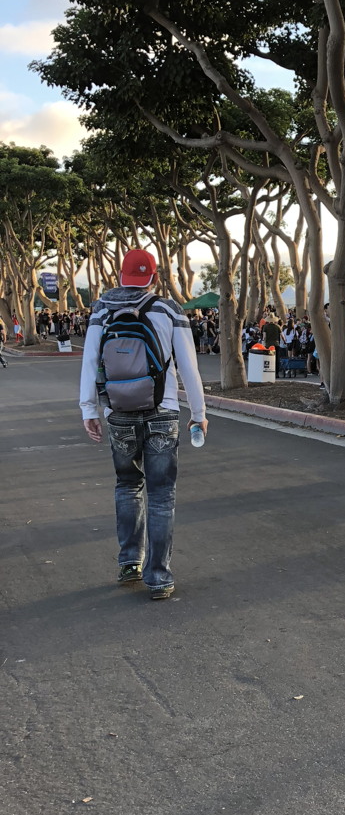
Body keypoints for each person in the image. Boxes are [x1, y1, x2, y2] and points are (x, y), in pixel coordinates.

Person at [79, 249, 207, 601]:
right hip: (162, 412)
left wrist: (89, 408)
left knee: (126, 485)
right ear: (153, 277)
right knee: (161, 494)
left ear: (122, 276)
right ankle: (159, 578)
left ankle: (129, 562)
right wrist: (198, 413)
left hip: (118, 413)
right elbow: (188, 367)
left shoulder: (101, 311)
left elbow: (90, 363)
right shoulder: (168, 309)